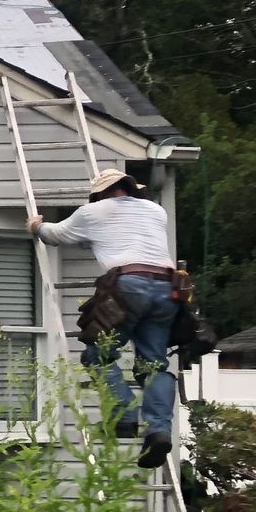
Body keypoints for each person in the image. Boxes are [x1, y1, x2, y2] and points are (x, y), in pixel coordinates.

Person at [30, 167, 180, 468]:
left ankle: (124, 413)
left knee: (98, 355)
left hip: (129, 286)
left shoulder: (91, 212)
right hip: (168, 288)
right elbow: (125, 236)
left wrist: (36, 226)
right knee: (154, 363)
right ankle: (159, 430)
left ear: (99, 194)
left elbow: (55, 235)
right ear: (131, 190)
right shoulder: (155, 211)